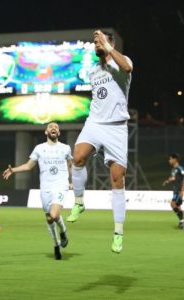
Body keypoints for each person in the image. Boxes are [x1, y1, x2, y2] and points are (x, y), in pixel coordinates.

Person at [66, 29, 133, 254]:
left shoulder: (122, 63)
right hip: (95, 124)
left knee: (117, 179)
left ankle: (118, 233)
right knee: (78, 157)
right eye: (94, 42)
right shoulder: (94, 71)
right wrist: (101, 45)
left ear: (109, 43)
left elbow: (127, 68)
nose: (95, 45)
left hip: (116, 128)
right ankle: (79, 202)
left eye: (99, 42)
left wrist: (107, 46)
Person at [3, 122, 72, 260]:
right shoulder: (39, 148)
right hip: (45, 187)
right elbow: (29, 166)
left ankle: (63, 232)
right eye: (51, 127)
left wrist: (71, 181)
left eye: (56, 127)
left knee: (54, 214)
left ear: (58, 133)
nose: (54, 128)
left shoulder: (65, 148)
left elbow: (71, 165)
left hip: (60, 185)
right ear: (46, 132)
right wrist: (13, 170)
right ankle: (56, 245)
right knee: (49, 218)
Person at [163, 153, 184, 229]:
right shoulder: (174, 169)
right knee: (176, 205)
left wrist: (182, 190)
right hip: (176, 190)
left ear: (175, 159)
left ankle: (182, 222)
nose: (169, 160)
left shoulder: (179, 168)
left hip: (179, 190)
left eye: (170, 159)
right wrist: (168, 180)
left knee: (173, 204)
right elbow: (174, 177)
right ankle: (182, 222)